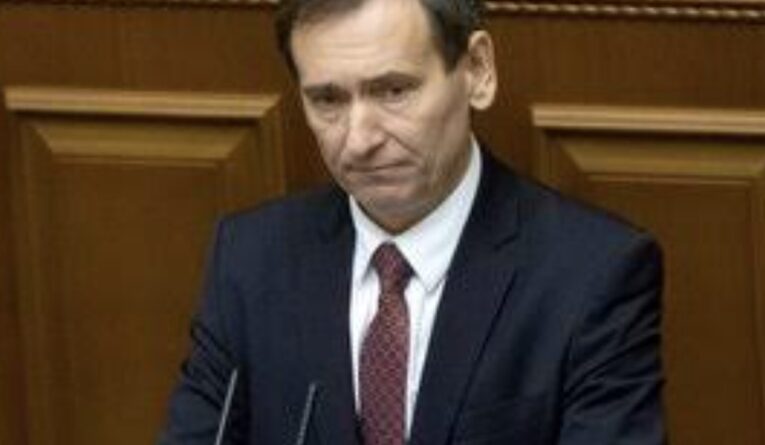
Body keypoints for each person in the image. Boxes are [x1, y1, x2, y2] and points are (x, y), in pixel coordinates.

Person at [159, 0, 666, 443]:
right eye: (328, 100)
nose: (359, 139)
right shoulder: (249, 259)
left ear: (477, 70)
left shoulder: (593, 274)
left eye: (393, 91)